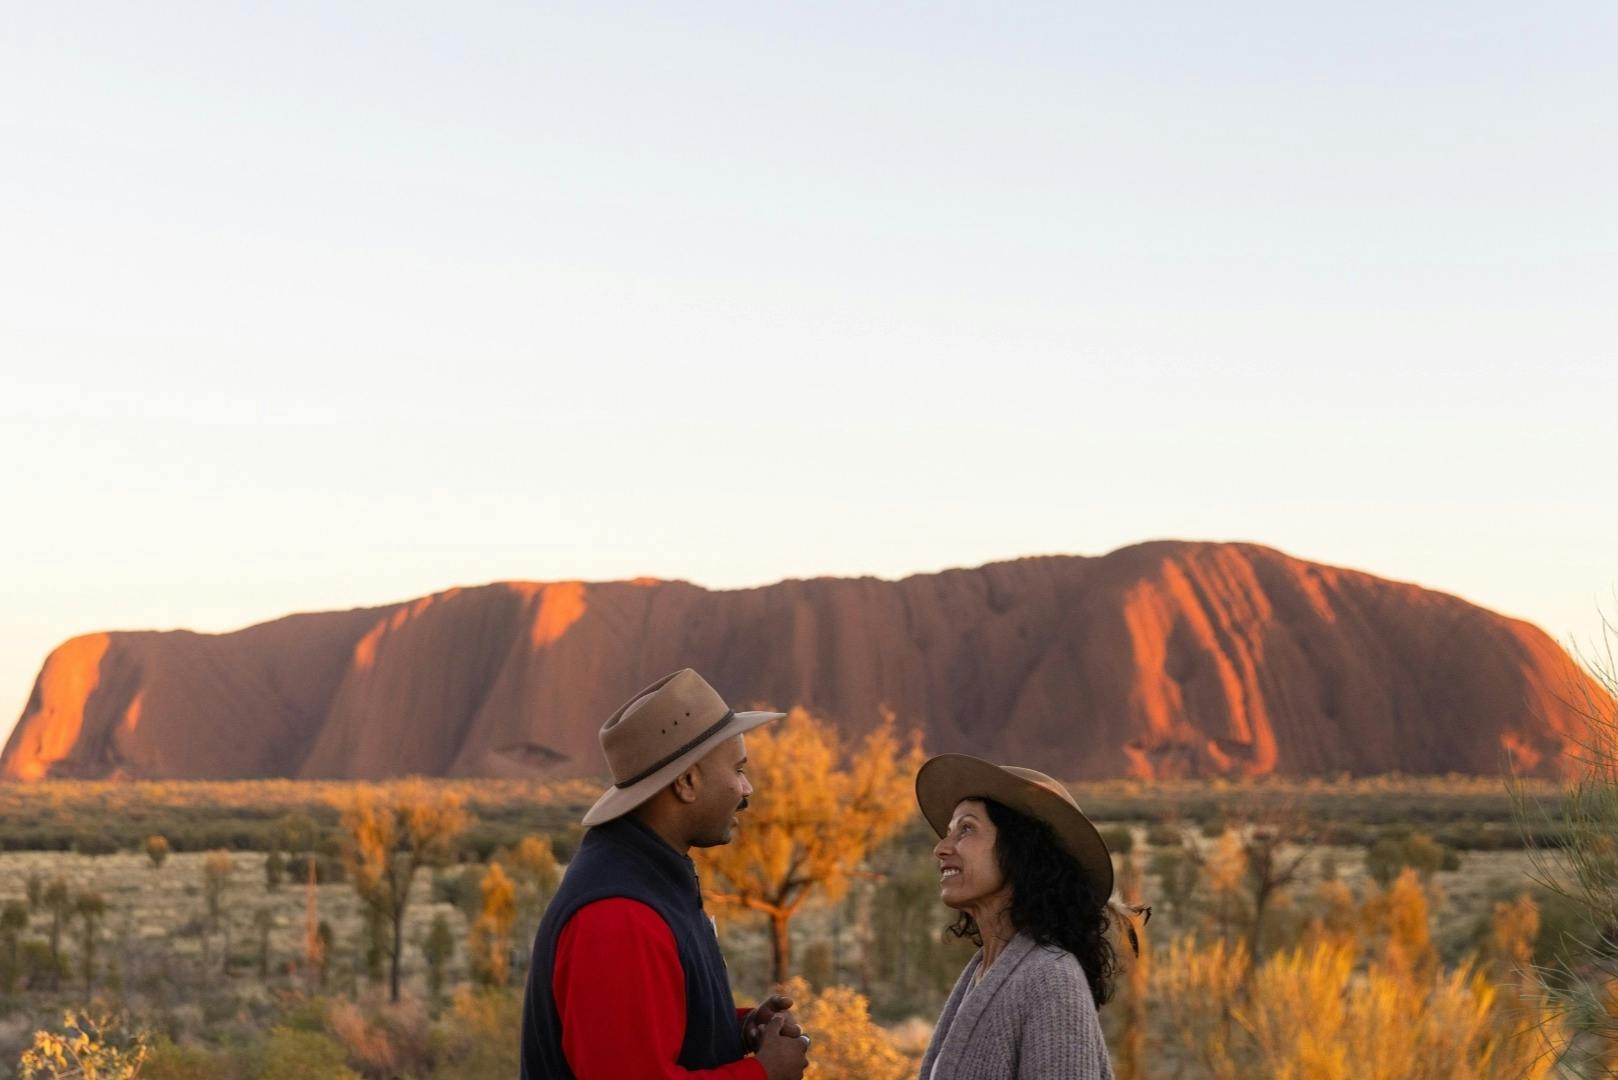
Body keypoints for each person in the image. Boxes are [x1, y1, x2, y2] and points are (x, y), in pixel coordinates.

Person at [520, 669, 811, 1080]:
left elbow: (641, 1040)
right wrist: (763, 1075)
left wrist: (736, 1029)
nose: (746, 789)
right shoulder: (618, 916)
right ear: (688, 782)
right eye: (738, 770)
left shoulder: (646, 876)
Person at [914, 753, 1123, 1080]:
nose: (941, 847)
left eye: (966, 829)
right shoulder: (984, 973)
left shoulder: (1050, 979)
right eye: (949, 831)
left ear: (1020, 851)